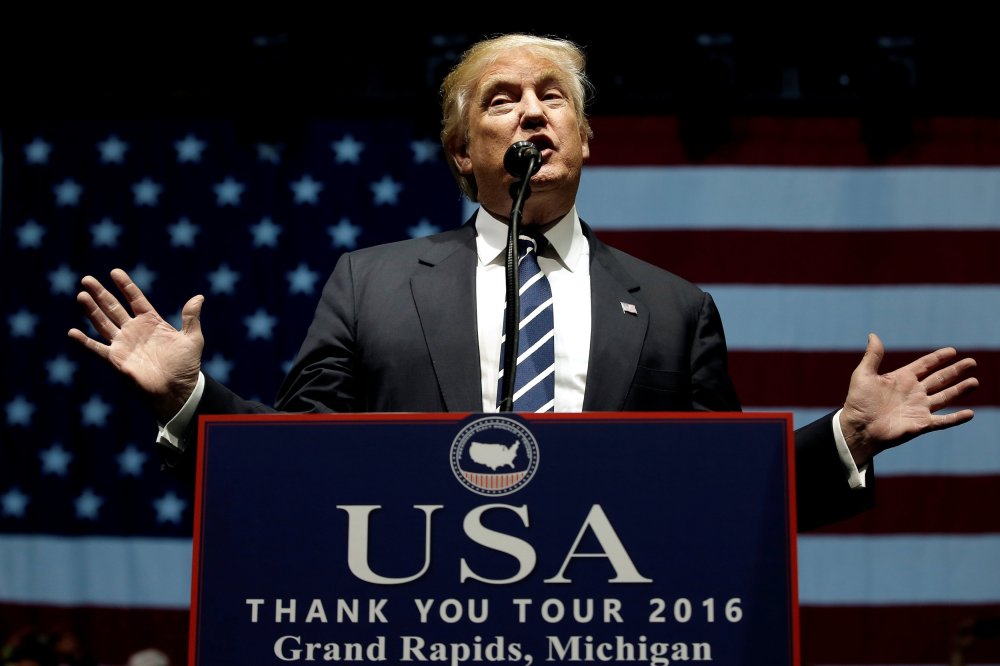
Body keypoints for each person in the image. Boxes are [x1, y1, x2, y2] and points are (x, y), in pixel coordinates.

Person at [68, 33, 978, 531]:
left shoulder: (672, 306)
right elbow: (299, 458)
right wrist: (192, 397)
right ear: (464, 152)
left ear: (585, 140)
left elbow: (719, 488)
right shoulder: (372, 283)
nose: (531, 109)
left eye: (553, 95)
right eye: (499, 98)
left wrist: (844, 438)